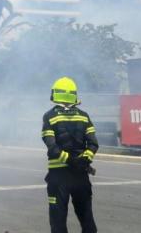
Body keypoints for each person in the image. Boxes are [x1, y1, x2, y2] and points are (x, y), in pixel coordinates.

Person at [41, 77, 98, 233]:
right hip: (81, 176)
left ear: (55, 94)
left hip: (59, 177)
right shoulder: (84, 116)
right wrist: (84, 159)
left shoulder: (49, 116)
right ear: (73, 95)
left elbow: (52, 147)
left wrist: (70, 161)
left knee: (58, 222)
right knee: (87, 221)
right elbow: (93, 144)